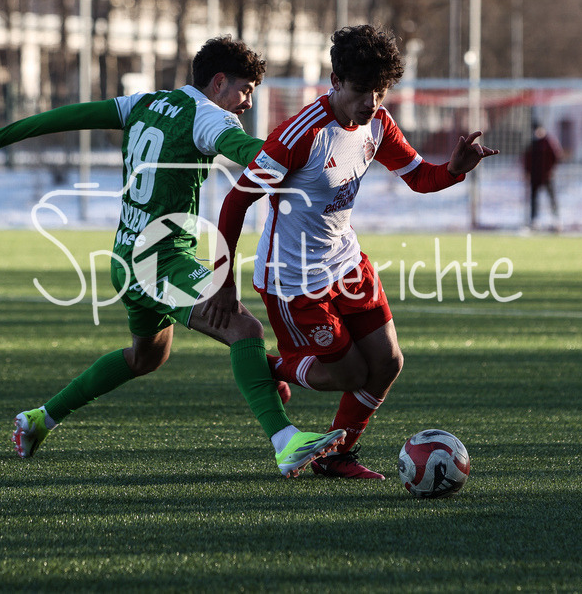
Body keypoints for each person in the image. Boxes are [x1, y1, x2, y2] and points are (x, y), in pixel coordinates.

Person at [0, 35, 345, 477]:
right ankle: (285, 440)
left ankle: (40, 418)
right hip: (158, 260)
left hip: (127, 255)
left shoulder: (146, 101)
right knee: (243, 327)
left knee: (147, 357)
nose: (247, 103)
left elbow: (73, 115)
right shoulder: (210, 118)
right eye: (245, 90)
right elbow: (249, 153)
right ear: (218, 82)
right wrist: (304, 160)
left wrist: (1, 135)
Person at [209, 24, 498, 479]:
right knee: (346, 375)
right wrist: (222, 282)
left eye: (381, 91)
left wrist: (454, 170)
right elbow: (236, 201)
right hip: (294, 278)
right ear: (337, 81)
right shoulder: (298, 135)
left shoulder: (378, 124)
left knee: (386, 364)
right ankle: (267, 370)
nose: (372, 102)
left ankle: (337, 454)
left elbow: (419, 176)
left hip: (346, 262)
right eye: (363, 90)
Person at [522, 122, 562, 230]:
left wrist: (551, 169)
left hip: (547, 176)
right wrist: (527, 172)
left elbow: (556, 156)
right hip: (535, 176)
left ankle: (555, 219)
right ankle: (534, 220)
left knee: (552, 198)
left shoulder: (549, 142)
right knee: (534, 199)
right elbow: (527, 159)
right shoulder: (532, 144)